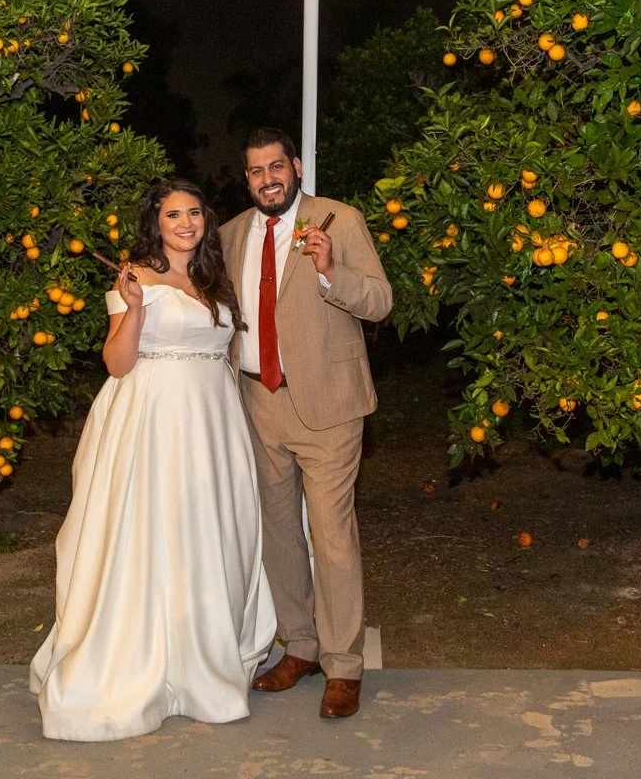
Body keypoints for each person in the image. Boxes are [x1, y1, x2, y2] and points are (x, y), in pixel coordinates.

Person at [29, 180, 276, 741]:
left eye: (193, 212)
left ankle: (202, 661)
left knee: (207, 535)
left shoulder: (214, 280)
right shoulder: (133, 277)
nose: (186, 222)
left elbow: (229, 356)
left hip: (212, 425)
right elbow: (117, 363)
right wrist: (134, 310)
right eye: (173, 214)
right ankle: (142, 664)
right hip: (151, 423)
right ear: (155, 223)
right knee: (148, 536)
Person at [220, 128, 393, 720]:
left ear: (295, 166)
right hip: (258, 403)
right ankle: (301, 647)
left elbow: (379, 300)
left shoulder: (339, 220)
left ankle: (344, 665)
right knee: (278, 533)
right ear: (246, 179)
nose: (267, 179)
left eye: (276, 167)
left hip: (328, 406)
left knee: (331, 533)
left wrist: (328, 272)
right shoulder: (231, 233)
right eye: (255, 171)